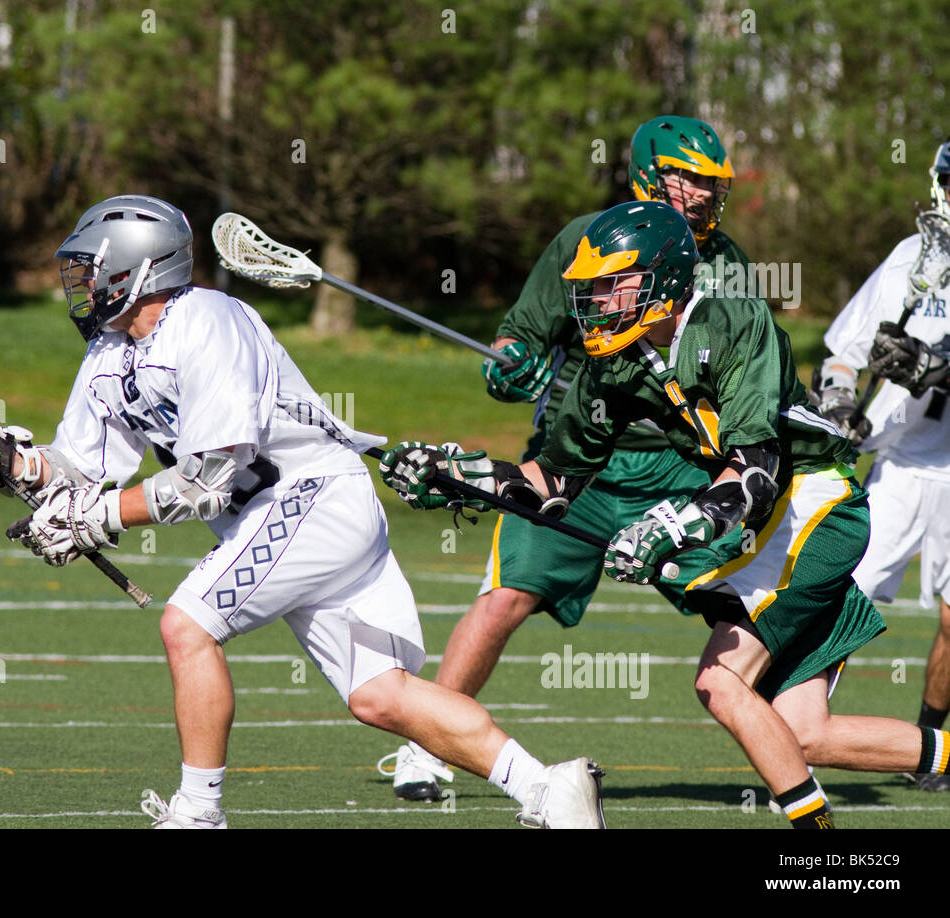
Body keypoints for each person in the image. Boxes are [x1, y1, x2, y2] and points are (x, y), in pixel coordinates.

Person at [0, 194, 606, 828]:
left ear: (136, 268)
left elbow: (207, 480)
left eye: (90, 269)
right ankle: (550, 788)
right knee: (382, 696)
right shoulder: (110, 351)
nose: (81, 284)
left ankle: (198, 812)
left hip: (312, 497)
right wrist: (12, 462)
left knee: (187, 625)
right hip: (289, 514)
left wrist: (97, 518)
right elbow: (81, 467)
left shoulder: (206, 321)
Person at [380, 200, 950, 828]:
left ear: (663, 278)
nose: (596, 299)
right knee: (804, 731)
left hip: (814, 500)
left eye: (613, 283)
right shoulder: (614, 361)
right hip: (769, 519)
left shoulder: (732, 320)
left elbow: (755, 470)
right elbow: (555, 479)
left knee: (721, 683)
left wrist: (670, 527)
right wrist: (463, 477)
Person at [380, 115, 751, 801]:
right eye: (689, 178)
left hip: (681, 466)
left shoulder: (729, 262)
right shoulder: (589, 237)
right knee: (504, 599)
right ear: (649, 174)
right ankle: (425, 746)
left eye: (710, 183)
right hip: (577, 460)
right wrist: (511, 366)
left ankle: (799, 734)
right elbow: (520, 336)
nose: (702, 193)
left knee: (747, 604)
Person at [816, 138, 950, 790]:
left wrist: (934, 366)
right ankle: (798, 730)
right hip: (897, 464)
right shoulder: (910, 257)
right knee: (845, 600)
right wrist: (842, 402)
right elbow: (843, 352)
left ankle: (931, 746)